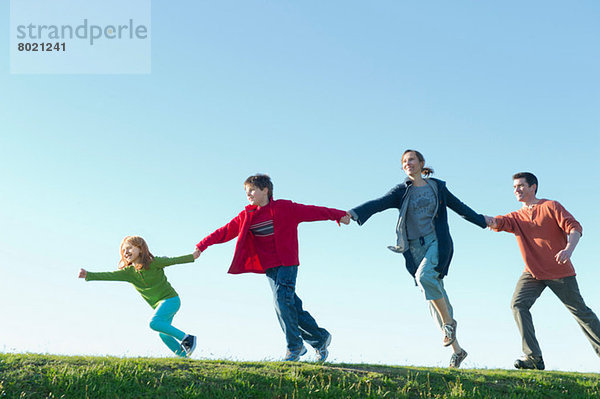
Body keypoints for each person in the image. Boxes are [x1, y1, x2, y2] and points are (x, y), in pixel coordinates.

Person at [347, 149, 489, 368]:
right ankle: (458, 351)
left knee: (425, 278)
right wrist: (354, 213)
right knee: (433, 296)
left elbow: (459, 206)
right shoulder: (401, 191)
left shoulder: (437, 187)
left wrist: (482, 220)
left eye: (411, 159)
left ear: (422, 163)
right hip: (414, 248)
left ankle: (449, 324)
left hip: (436, 242)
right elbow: (379, 203)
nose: (408, 163)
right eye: (404, 161)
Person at [195, 174, 350, 362]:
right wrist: (202, 245)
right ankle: (320, 338)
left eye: (252, 190)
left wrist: (338, 215)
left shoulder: (285, 208)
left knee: (281, 302)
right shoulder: (247, 216)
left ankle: (295, 346)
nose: (248, 194)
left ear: (265, 190)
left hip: (287, 264)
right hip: (270, 268)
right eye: (246, 191)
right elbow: (225, 231)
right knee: (289, 304)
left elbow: (313, 211)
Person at [486, 172, 600, 370]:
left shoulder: (551, 206)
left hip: (559, 270)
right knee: (518, 304)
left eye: (521, 186)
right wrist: (484, 219)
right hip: (532, 272)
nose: (517, 190)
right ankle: (533, 358)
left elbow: (575, 227)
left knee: (581, 312)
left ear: (533, 187)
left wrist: (568, 249)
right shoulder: (516, 217)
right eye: (514, 187)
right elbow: (498, 222)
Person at [78, 235, 200, 358]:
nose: (126, 252)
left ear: (140, 249)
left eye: (129, 248)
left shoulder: (154, 263)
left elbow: (174, 260)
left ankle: (187, 338)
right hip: (160, 304)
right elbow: (109, 275)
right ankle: (183, 357)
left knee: (154, 323)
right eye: (124, 250)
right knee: (163, 334)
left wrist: (193, 256)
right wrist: (88, 275)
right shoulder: (129, 273)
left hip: (171, 300)